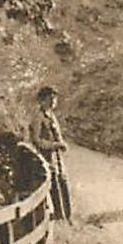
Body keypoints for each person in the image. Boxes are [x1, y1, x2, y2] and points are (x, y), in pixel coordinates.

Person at [33, 85, 72, 223]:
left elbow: (57, 135)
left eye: (54, 98)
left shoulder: (52, 116)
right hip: (46, 157)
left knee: (64, 183)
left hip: (56, 157)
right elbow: (37, 140)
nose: (53, 101)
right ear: (42, 100)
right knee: (54, 185)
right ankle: (59, 216)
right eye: (50, 98)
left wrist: (61, 143)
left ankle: (67, 217)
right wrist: (55, 145)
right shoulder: (38, 117)